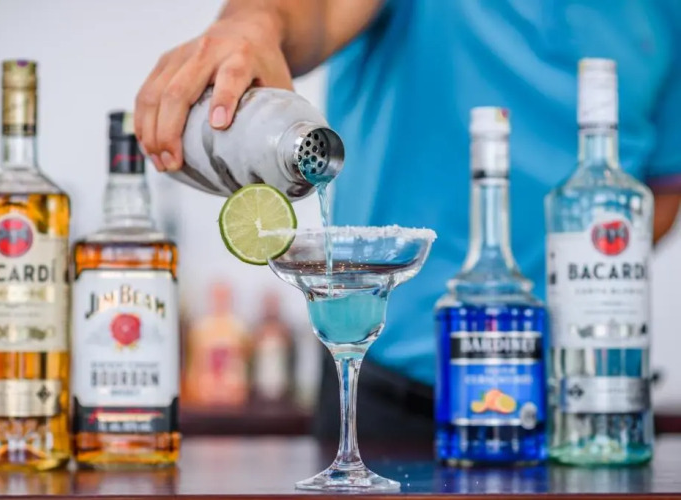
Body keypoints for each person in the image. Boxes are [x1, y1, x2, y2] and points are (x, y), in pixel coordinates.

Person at [134, 0, 681, 440]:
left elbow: (661, 191)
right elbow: (314, 11)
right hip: (388, 398)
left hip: (572, 405)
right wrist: (254, 21)